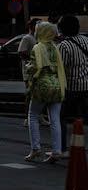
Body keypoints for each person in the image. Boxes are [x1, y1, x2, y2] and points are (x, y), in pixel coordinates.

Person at [25, 21, 66, 163]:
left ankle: (35, 149)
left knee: (33, 115)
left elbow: (34, 68)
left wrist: (27, 68)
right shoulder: (55, 48)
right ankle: (56, 151)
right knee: (54, 119)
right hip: (57, 85)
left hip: (42, 86)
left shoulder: (37, 48)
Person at [58, 15, 88, 156]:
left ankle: (63, 149)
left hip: (71, 88)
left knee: (60, 117)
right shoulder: (86, 40)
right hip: (86, 86)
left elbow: (60, 69)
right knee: (82, 116)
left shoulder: (63, 46)